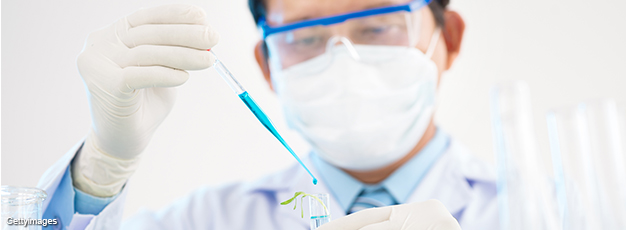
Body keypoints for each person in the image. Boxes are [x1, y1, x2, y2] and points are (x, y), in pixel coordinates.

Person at [37, 0, 498, 229]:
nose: (343, 59)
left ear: (450, 38)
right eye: (305, 37)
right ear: (267, 65)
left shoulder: (546, 210)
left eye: (378, 26)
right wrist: (99, 173)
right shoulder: (210, 220)